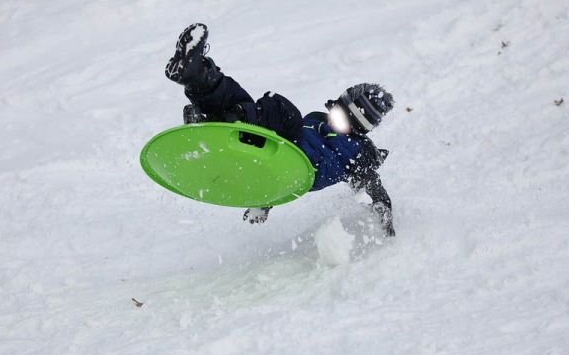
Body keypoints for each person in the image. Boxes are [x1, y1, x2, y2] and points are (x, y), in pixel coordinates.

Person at [165, 23, 396, 236]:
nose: (336, 120)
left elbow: (373, 187)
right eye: (338, 111)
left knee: (283, 110)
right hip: (269, 150)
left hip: (295, 171)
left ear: (360, 128)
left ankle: (224, 118)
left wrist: (385, 218)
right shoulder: (318, 121)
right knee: (242, 100)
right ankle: (197, 77)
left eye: (346, 120)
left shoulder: (360, 153)